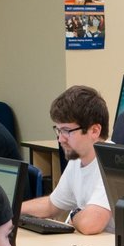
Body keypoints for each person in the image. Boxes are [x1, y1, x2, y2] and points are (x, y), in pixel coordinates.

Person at [21, 85, 113, 234]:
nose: (60, 138)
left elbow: (90, 224)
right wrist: (11, 210)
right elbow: (51, 205)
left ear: (94, 131)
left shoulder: (112, 164)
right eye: (58, 130)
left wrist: (74, 214)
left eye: (66, 131)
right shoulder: (77, 158)